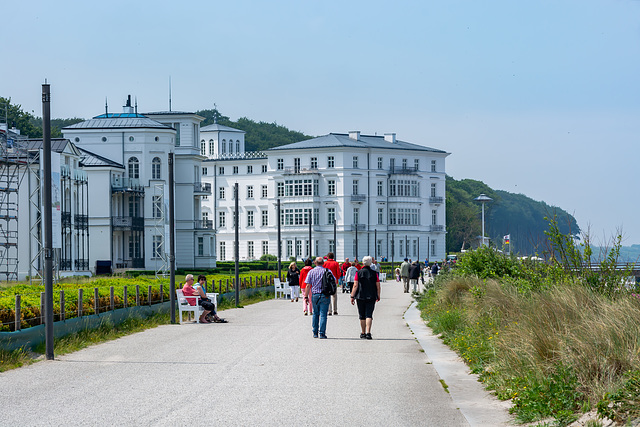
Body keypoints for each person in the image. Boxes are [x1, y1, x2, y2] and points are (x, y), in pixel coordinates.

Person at [350, 256, 380, 340]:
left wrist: (352, 296)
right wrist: (378, 295)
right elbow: (378, 285)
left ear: (362, 263)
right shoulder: (374, 273)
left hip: (360, 296)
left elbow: (355, 285)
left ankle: (363, 333)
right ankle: (368, 333)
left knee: (362, 315)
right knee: (369, 314)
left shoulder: (358, 273)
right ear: (370, 263)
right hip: (371, 296)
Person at [304, 257, 334, 339]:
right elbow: (334, 281)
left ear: (315, 263)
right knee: (323, 315)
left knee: (315, 313)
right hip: (325, 295)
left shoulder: (311, 272)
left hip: (315, 295)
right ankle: (322, 333)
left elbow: (307, 285)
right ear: (323, 263)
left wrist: (306, 296)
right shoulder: (327, 271)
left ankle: (315, 332)